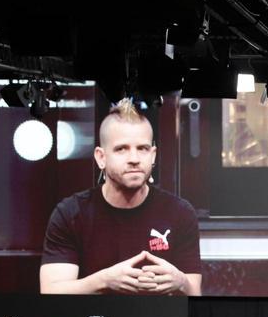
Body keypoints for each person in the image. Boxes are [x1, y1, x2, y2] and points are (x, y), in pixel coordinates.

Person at [39, 98, 202, 296]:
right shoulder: (70, 213)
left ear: (153, 156)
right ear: (101, 157)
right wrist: (105, 280)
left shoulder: (180, 213)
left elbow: (195, 295)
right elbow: (51, 293)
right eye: (121, 149)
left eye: (142, 148)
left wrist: (181, 281)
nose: (134, 159)